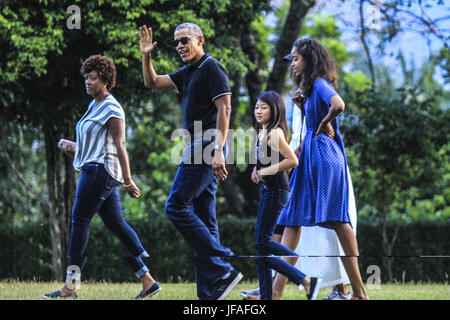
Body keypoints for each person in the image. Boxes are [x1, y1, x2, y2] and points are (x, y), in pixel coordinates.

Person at [136, 23, 242, 300]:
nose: (180, 46)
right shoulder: (189, 73)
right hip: (197, 145)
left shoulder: (211, 67)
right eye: (176, 43)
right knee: (205, 221)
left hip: (207, 145)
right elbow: (152, 82)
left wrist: (219, 149)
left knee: (175, 206)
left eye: (185, 40)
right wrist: (146, 54)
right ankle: (209, 294)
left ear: (200, 40)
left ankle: (221, 269)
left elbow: (225, 108)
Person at [44, 54, 160, 299]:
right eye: (86, 77)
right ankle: (148, 280)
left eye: (94, 78)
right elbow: (96, 146)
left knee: (79, 222)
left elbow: (120, 145)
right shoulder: (94, 105)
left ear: (105, 80)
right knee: (116, 224)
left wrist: (128, 181)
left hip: (100, 172)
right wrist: (72, 147)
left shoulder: (112, 107)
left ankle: (70, 287)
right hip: (98, 169)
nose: (88, 82)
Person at [273, 38, 369, 300]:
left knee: (338, 220)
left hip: (325, 157)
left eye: (296, 59)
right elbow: (313, 121)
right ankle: (274, 292)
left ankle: (358, 293)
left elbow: (339, 104)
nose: (292, 64)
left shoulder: (319, 83)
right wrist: (305, 109)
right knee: (291, 217)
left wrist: (325, 121)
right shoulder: (309, 91)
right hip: (310, 159)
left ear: (310, 60)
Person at [251, 91, 322, 300]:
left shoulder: (275, 132)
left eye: (264, 107)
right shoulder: (264, 132)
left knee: (261, 243)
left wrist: (263, 171)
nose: (258, 111)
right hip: (269, 191)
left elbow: (292, 160)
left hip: (277, 192)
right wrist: (256, 169)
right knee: (261, 248)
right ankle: (267, 297)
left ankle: (303, 276)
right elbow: (267, 159)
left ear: (274, 110)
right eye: (257, 107)